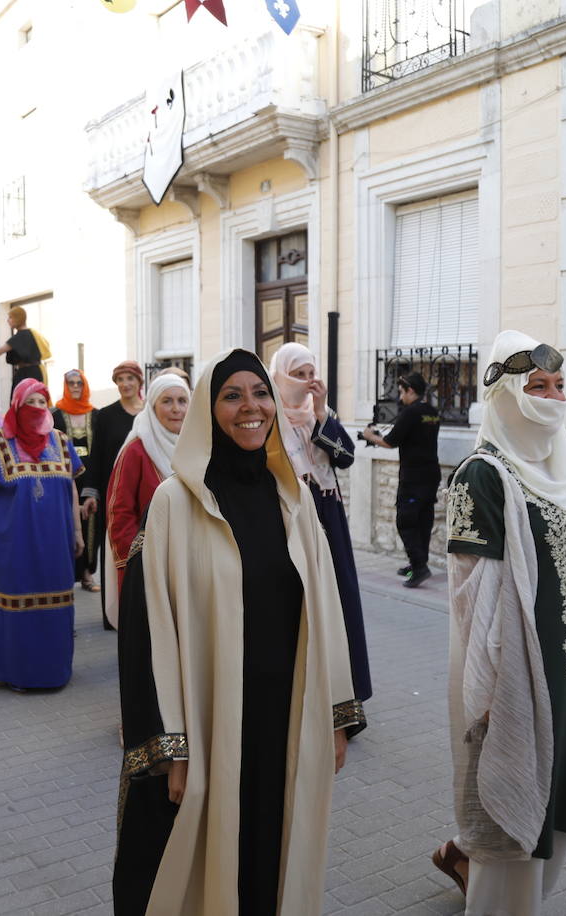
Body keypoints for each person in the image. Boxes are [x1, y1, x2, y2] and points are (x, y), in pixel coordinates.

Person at [112, 350, 365, 916]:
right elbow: (146, 632)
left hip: (284, 717)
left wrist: (335, 716)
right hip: (209, 720)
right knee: (202, 860)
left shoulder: (292, 497)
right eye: (232, 395)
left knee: (273, 851)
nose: (250, 407)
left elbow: (327, 610)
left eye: (260, 393)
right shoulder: (176, 502)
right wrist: (171, 748)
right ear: (208, 409)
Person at [429, 331, 566, 913]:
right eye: (536, 387)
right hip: (521, 679)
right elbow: (470, 595)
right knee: (515, 816)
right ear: (504, 395)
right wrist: (493, 686)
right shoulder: (482, 476)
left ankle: (475, 866)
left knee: (563, 802)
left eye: (558, 385)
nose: (551, 398)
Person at [269, 344, 372, 702]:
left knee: (339, 596)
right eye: (298, 374)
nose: (307, 381)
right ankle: (302, 695)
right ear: (280, 375)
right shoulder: (268, 417)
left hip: (328, 517)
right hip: (290, 518)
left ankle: (343, 693)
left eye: (311, 373)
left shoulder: (320, 414)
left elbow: (345, 457)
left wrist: (317, 414)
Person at [0, 378, 83, 690]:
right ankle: (17, 673)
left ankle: (54, 671)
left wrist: (77, 531)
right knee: (17, 609)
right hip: (12, 545)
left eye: (42, 402)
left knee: (55, 609)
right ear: (16, 406)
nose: (36, 408)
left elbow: (70, 487)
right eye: (29, 402)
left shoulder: (61, 440)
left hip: (55, 545)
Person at [104, 372, 188, 601]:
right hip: (149, 565)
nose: (176, 409)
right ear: (152, 407)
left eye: (182, 401)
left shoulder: (197, 449)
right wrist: (135, 563)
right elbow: (119, 512)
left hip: (190, 563)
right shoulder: (136, 451)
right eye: (167, 401)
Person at [360, 372, 442, 588]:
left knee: (405, 521)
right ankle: (418, 562)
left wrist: (370, 437)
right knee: (424, 520)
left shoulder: (411, 413)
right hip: (431, 475)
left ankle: (419, 567)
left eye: (401, 392)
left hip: (413, 478)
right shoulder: (432, 412)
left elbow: (390, 441)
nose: (400, 396)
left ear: (411, 391)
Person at [82, 360, 145, 627]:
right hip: (115, 492)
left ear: (139, 382)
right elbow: (96, 457)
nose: (125, 384)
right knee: (115, 547)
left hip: (147, 491)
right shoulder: (106, 415)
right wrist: (91, 494)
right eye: (120, 379)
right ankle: (113, 613)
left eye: (130, 378)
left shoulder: (150, 413)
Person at [52, 369, 100, 592]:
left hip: (90, 476)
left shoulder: (96, 415)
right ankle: (66, 574)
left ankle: (87, 573)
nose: (75, 387)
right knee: (67, 523)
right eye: (70, 383)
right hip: (65, 476)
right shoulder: (55, 414)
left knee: (91, 525)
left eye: (79, 383)